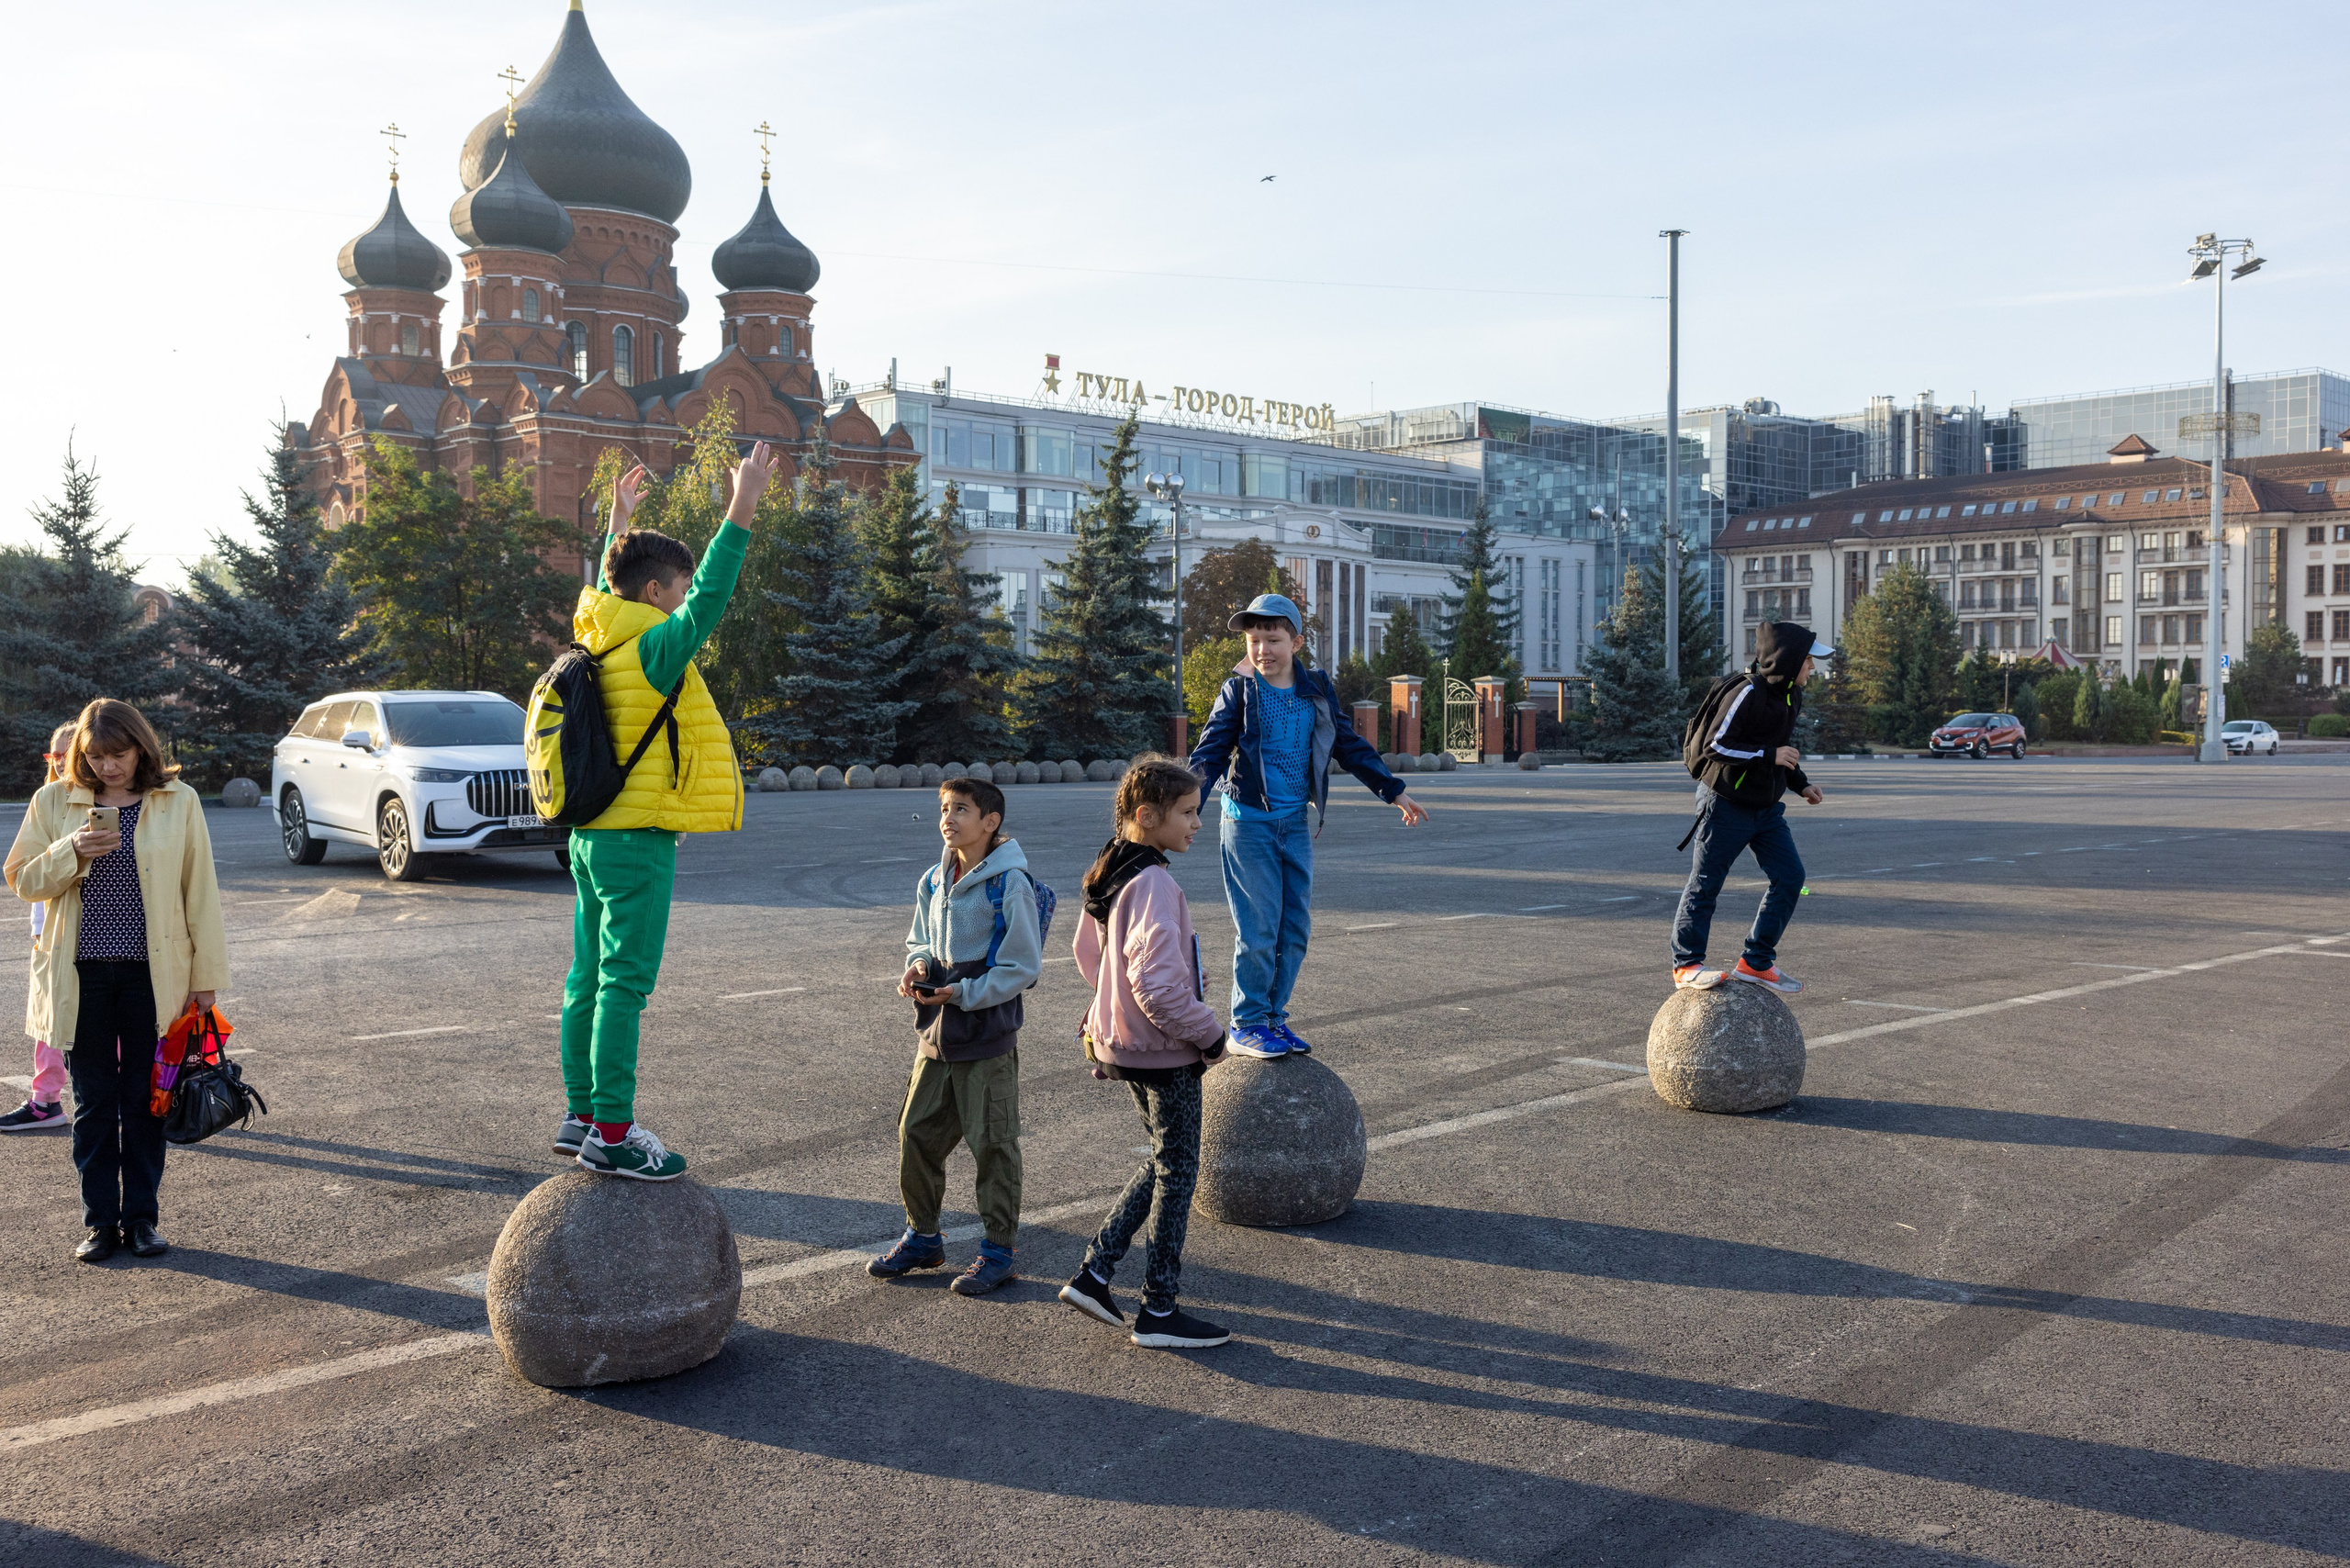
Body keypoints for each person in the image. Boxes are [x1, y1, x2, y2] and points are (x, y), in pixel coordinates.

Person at [554, 442, 777, 1181]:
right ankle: (613, 1135)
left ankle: (581, 1113)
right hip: (638, 841)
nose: (683, 603)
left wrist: (616, 522)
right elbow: (713, 593)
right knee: (624, 983)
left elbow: (608, 582)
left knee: (587, 977)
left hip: (590, 836)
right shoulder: (651, 648)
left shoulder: (600, 634)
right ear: (654, 593)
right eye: (673, 593)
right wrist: (742, 505)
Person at [4, 700, 227, 1262]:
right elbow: (21, 880)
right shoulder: (54, 800)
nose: (108, 767)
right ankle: (101, 1223)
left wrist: (206, 979)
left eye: (118, 754)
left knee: (147, 1102)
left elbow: (200, 892)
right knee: (94, 1104)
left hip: (155, 977)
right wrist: (69, 850)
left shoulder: (178, 800)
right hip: (81, 976)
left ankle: (144, 1220)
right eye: (96, 756)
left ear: (141, 748)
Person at [1189, 593, 1427, 1058]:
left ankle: (1274, 1018)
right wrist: (1185, 807)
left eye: (1273, 639)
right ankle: (1247, 1022)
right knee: (1257, 930)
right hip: (1248, 826)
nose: (1262, 650)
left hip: (1293, 824)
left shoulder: (1315, 688)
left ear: (1296, 642)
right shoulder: (1239, 691)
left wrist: (1392, 790)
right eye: (1254, 639)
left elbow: (1347, 743)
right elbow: (1210, 754)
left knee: (1293, 928)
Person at [1062, 755, 1232, 1350]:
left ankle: (1095, 1273)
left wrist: (1113, 1010)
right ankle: (1158, 1310)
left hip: (1122, 1044)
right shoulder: (1155, 883)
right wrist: (1209, 1034)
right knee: (1179, 1172)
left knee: (1164, 1160)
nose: (1197, 824)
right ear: (1146, 815)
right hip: (1163, 1051)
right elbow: (1157, 986)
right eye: (1187, 813)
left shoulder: (1112, 869)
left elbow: (1092, 956)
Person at [870, 775, 1043, 1295]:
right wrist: (918, 964)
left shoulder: (1009, 883)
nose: (948, 818)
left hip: (985, 1034)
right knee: (916, 1133)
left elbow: (1022, 966)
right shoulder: (932, 880)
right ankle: (924, 1237)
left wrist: (963, 993)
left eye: (961, 809)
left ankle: (998, 1252)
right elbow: (920, 937)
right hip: (936, 1033)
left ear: (990, 823)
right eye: (945, 808)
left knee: (992, 1144)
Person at [1672, 621, 1830, 994]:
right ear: (1789, 660)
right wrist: (1769, 755)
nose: (1813, 669)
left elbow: (1779, 749)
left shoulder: (1792, 695)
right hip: (1725, 802)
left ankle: (1756, 962)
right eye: (1809, 661)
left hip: (1766, 809)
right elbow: (1715, 746)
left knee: (1791, 877)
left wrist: (1801, 783)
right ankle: (1686, 965)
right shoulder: (1746, 692)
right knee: (1706, 883)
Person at [0, 723, 80, 1133]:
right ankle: (46, 1101)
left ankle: (130, 1101)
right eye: (56, 755)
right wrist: (37, 928)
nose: (63, 762)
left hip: (91, 935)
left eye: (71, 752)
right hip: (50, 930)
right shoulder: (47, 802)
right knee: (50, 1021)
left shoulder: (101, 803)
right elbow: (26, 873)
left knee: (107, 1027)